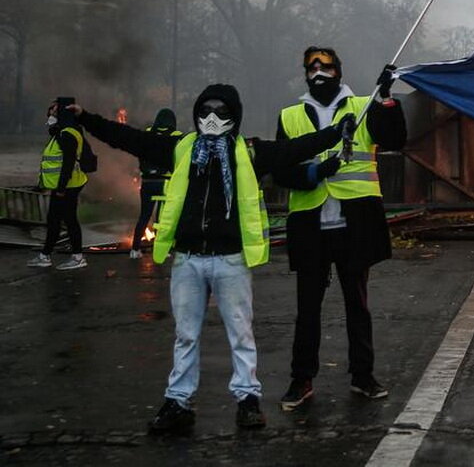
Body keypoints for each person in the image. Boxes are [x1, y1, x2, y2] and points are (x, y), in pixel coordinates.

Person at [70, 84, 351, 433]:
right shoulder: (182, 147)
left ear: (235, 115)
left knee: (241, 334)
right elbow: (128, 138)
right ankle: (178, 402)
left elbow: (293, 149)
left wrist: (334, 133)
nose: (213, 118)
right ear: (196, 114)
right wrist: (86, 119)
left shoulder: (249, 152)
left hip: (230, 259)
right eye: (206, 110)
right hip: (188, 259)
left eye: (221, 111)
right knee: (185, 335)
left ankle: (247, 401)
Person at [273, 47, 405, 411]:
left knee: (357, 304)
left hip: (354, 222)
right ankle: (301, 380)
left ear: (338, 70)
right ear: (304, 73)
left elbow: (394, 139)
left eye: (325, 65)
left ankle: (363, 376)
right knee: (307, 308)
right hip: (310, 223)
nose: (318, 71)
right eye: (311, 66)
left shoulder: (363, 105)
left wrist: (386, 99)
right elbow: (281, 169)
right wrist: (315, 172)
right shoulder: (290, 115)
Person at [27, 101, 92, 270]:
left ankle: (76, 257)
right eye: (50, 114)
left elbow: (68, 163)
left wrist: (61, 188)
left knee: (68, 220)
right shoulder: (62, 133)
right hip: (65, 185)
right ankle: (46, 255)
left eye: (54, 114)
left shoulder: (67, 134)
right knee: (55, 220)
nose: (50, 117)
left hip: (69, 186)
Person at [131, 108, 183, 259]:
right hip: (165, 182)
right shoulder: (177, 136)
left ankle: (135, 250)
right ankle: (161, 250)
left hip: (147, 182)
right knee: (162, 218)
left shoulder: (147, 134)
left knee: (144, 215)